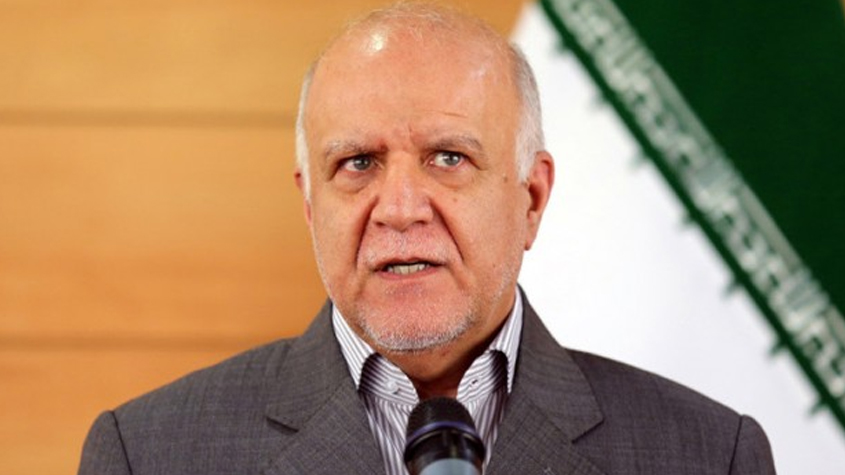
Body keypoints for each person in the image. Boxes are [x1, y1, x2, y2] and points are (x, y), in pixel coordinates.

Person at [78, 3, 776, 474]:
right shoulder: (150, 454)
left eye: (448, 157)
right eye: (358, 163)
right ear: (310, 205)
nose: (401, 208)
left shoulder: (707, 455)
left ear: (531, 198)